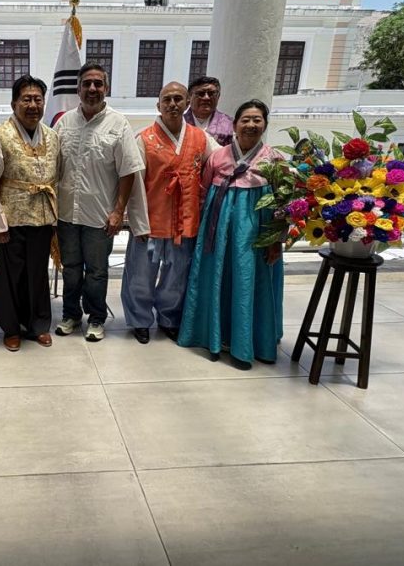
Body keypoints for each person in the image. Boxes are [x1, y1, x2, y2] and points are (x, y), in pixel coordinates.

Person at [177, 99, 285, 370]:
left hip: (255, 238)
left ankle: (247, 343)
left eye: (257, 120)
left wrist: (276, 240)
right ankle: (212, 336)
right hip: (218, 235)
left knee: (249, 281)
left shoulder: (275, 160)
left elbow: (285, 204)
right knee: (217, 280)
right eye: (245, 119)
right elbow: (203, 194)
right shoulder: (218, 157)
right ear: (235, 125)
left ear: (265, 125)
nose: (250, 125)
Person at [54, 62, 144, 342]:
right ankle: (70, 315)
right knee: (70, 269)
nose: (92, 89)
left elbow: (128, 170)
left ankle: (96, 318)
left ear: (107, 88)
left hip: (99, 217)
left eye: (98, 84)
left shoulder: (119, 124)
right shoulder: (63, 122)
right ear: (78, 88)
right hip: (67, 214)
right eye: (87, 84)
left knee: (96, 272)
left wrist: (119, 212)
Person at [122, 82, 218, 344]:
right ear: (158, 105)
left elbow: (221, 161)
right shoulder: (143, 138)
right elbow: (134, 184)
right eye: (167, 99)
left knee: (177, 275)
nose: (173, 104)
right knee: (141, 274)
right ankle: (140, 320)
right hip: (151, 218)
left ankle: (169, 318)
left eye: (178, 99)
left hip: (185, 219)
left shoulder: (200, 138)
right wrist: (136, 223)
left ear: (187, 103)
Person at [0, 75, 61, 352]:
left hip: (42, 218)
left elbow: (58, 176)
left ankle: (38, 325)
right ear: (14, 103)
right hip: (11, 220)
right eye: (26, 99)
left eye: (38, 99)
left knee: (38, 274)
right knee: (10, 275)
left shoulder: (52, 136)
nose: (33, 105)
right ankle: (11, 327)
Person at [184, 76, 234, 147]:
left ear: (218, 96)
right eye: (201, 93)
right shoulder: (180, 122)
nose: (206, 97)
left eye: (211, 93)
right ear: (189, 97)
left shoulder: (230, 125)